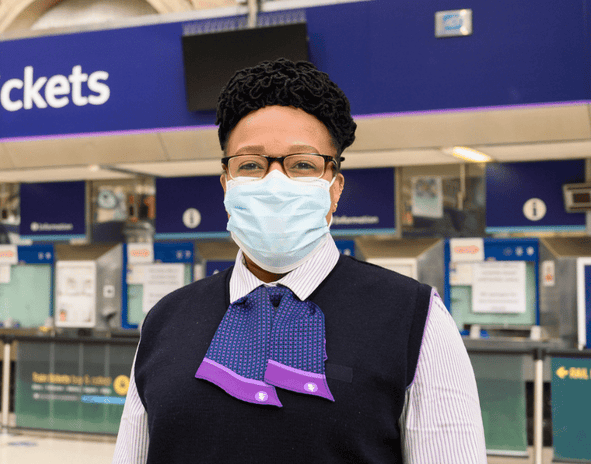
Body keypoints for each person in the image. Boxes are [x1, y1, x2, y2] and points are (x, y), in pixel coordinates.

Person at [112, 58, 486, 463]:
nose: (275, 183)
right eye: (251, 165)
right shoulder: (167, 319)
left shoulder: (413, 318)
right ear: (226, 185)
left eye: (302, 164)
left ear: (334, 188)